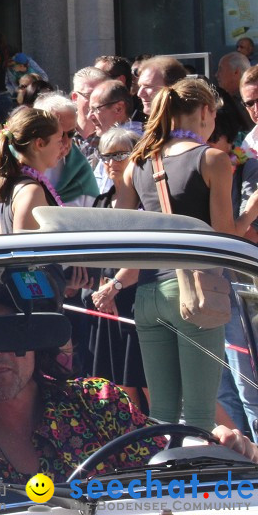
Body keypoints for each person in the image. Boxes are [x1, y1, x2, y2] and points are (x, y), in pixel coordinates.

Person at [0, 268, 258, 480]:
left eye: (14, 333)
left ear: (38, 338)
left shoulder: (100, 406)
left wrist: (225, 451)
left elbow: (166, 479)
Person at [114, 77, 258, 430]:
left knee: (161, 414)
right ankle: (191, 483)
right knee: (198, 414)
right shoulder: (212, 159)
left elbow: (122, 229)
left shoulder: (139, 163)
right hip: (195, 293)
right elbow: (224, 238)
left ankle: (161, 481)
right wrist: (252, 209)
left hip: (147, 294)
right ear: (207, 111)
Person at [86, 127, 147, 409]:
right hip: (106, 301)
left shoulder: (146, 202)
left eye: (120, 155)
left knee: (144, 382)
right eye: (105, 155)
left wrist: (115, 286)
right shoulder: (102, 202)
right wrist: (102, 289)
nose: (111, 162)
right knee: (117, 384)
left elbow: (145, 255)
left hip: (135, 298)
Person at [0, 108, 64, 233]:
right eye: (58, 141)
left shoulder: (18, 182)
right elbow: (25, 249)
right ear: (40, 144)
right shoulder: (31, 192)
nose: (62, 147)